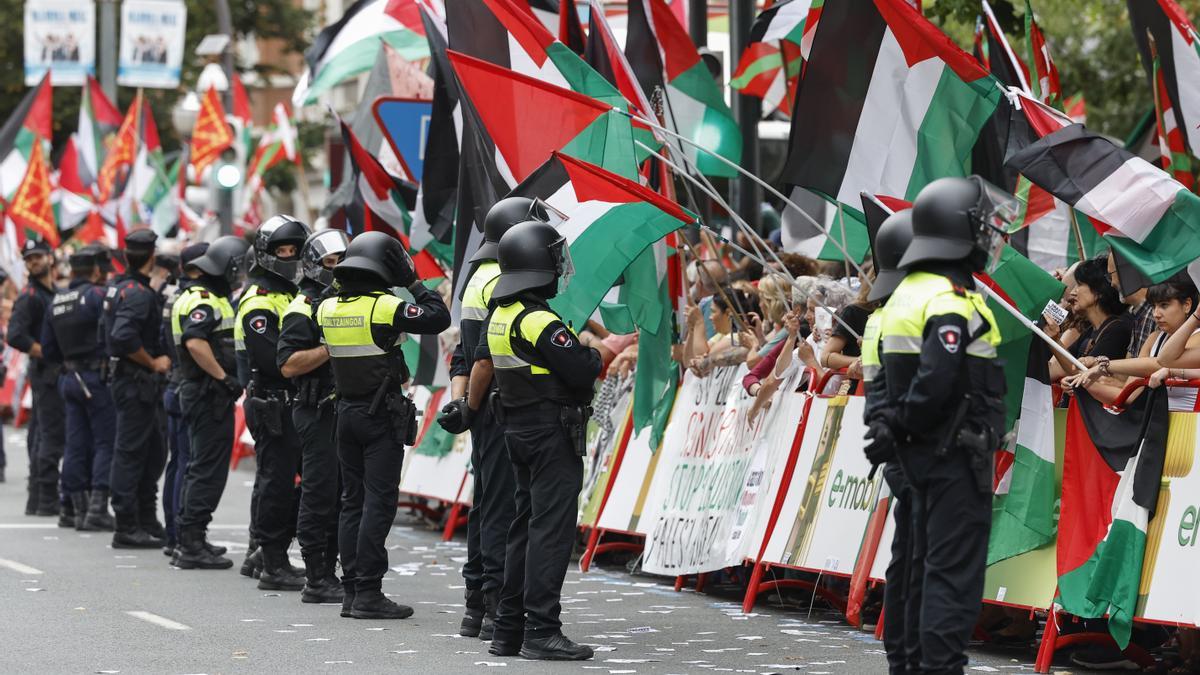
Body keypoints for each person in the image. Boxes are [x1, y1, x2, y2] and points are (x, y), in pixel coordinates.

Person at [871, 176, 1008, 674]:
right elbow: (937, 377)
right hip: (954, 455)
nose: (991, 235)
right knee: (952, 581)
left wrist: (898, 434)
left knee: (924, 573)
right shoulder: (949, 298)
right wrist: (907, 425)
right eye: (983, 225)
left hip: (926, 456)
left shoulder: (906, 297)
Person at [473, 220, 602, 661]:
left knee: (522, 528)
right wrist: (594, 351)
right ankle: (542, 630)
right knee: (549, 532)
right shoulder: (538, 319)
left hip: (518, 430)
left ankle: (508, 629)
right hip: (551, 433)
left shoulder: (500, 315)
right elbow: (582, 370)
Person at [315, 231, 450, 619]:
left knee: (351, 502)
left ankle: (352, 591)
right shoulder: (385, 306)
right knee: (378, 503)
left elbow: (323, 306)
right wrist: (411, 281)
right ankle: (370, 593)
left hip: (346, 414)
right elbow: (438, 317)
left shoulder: (326, 309)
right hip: (379, 417)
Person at [438, 197, 545, 639]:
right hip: (504, 403)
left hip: (484, 406)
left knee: (487, 505)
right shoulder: (502, 278)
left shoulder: (474, 278)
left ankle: (476, 605)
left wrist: (466, 406)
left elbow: (463, 355)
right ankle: (496, 603)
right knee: (503, 508)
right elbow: (482, 358)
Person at [858, 209, 919, 675]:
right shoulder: (906, 316)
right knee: (920, 559)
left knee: (909, 555)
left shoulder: (882, 317)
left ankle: (903, 656)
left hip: (901, 449)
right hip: (919, 449)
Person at [236, 215, 311, 590]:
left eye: (295, 250)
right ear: (266, 254)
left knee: (297, 482)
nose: (289, 257)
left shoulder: (288, 295)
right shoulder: (259, 301)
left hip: (290, 403)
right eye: (282, 250)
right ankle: (273, 562)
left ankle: (267, 553)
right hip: (272, 402)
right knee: (276, 485)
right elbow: (274, 362)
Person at [278, 229, 350, 604]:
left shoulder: (341, 303)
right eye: (331, 262)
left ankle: (332, 570)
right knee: (319, 494)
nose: (339, 269)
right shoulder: (302, 307)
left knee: (341, 495)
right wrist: (328, 347)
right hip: (314, 409)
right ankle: (316, 576)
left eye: (343, 261)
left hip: (342, 411)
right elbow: (288, 364)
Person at [171, 236, 250, 569]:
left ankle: (193, 537)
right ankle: (191, 544)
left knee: (198, 467)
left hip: (200, 392)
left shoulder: (197, 294)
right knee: (206, 470)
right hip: (207, 393)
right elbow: (195, 341)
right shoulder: (206, 301)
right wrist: (224, 378)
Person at [103, 230, 170, 547]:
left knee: (152, 452)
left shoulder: (121, 287)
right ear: (151, 256)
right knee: (131, 453)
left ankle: (145, 518)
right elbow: (123, 337)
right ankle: (126, 526)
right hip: (135, 382)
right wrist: (152, 362)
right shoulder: (137, 293)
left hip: (133, 382)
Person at [41, 245, 116, 531]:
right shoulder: (97, 296)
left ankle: (71, 508)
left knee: (74, 443)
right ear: (96, 270)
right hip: (96, 377)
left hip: (69, 377)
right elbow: (111, 335)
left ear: (72, 271)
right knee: (104, 442)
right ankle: (97, 507)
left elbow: (48, 350)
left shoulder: (57, 301)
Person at [1065, 278, 1200, 410]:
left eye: (1164, 305)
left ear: (1187, 305)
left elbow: (1160, 363)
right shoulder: (1154, 338)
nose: (1156, 314)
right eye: (1153, 306)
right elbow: (1128, 396)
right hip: (1158, 424)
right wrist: (1082, 382)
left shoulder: (1197, 337)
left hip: (1190, 426)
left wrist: (1103, 365)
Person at [8, 239, 64, 519]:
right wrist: (47, 352)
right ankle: (45, 498)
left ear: (50, 258)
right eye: (29, 259)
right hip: (46, 374)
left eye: (38, 257)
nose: (34, 262)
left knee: (43, 435)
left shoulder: (53, 292)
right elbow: (16, 335)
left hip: (54, 374)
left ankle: (40, 497)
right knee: (48, 437)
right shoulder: (30, 296)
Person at [160, 243, 208, 555]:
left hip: (174, 383)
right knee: (187, 463)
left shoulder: (174, 295)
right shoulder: (193, 299)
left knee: (178, 462)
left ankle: (173, 533)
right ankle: (181, 536)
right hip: (187, 384)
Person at [1045, 256, 1132, 385]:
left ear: (1099, 291)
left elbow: (1085, 376)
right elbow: (1068, 368)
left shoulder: (1116, 331)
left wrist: (1055, 340)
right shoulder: (1091, 330)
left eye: (1079, 285)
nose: (1073, 292)